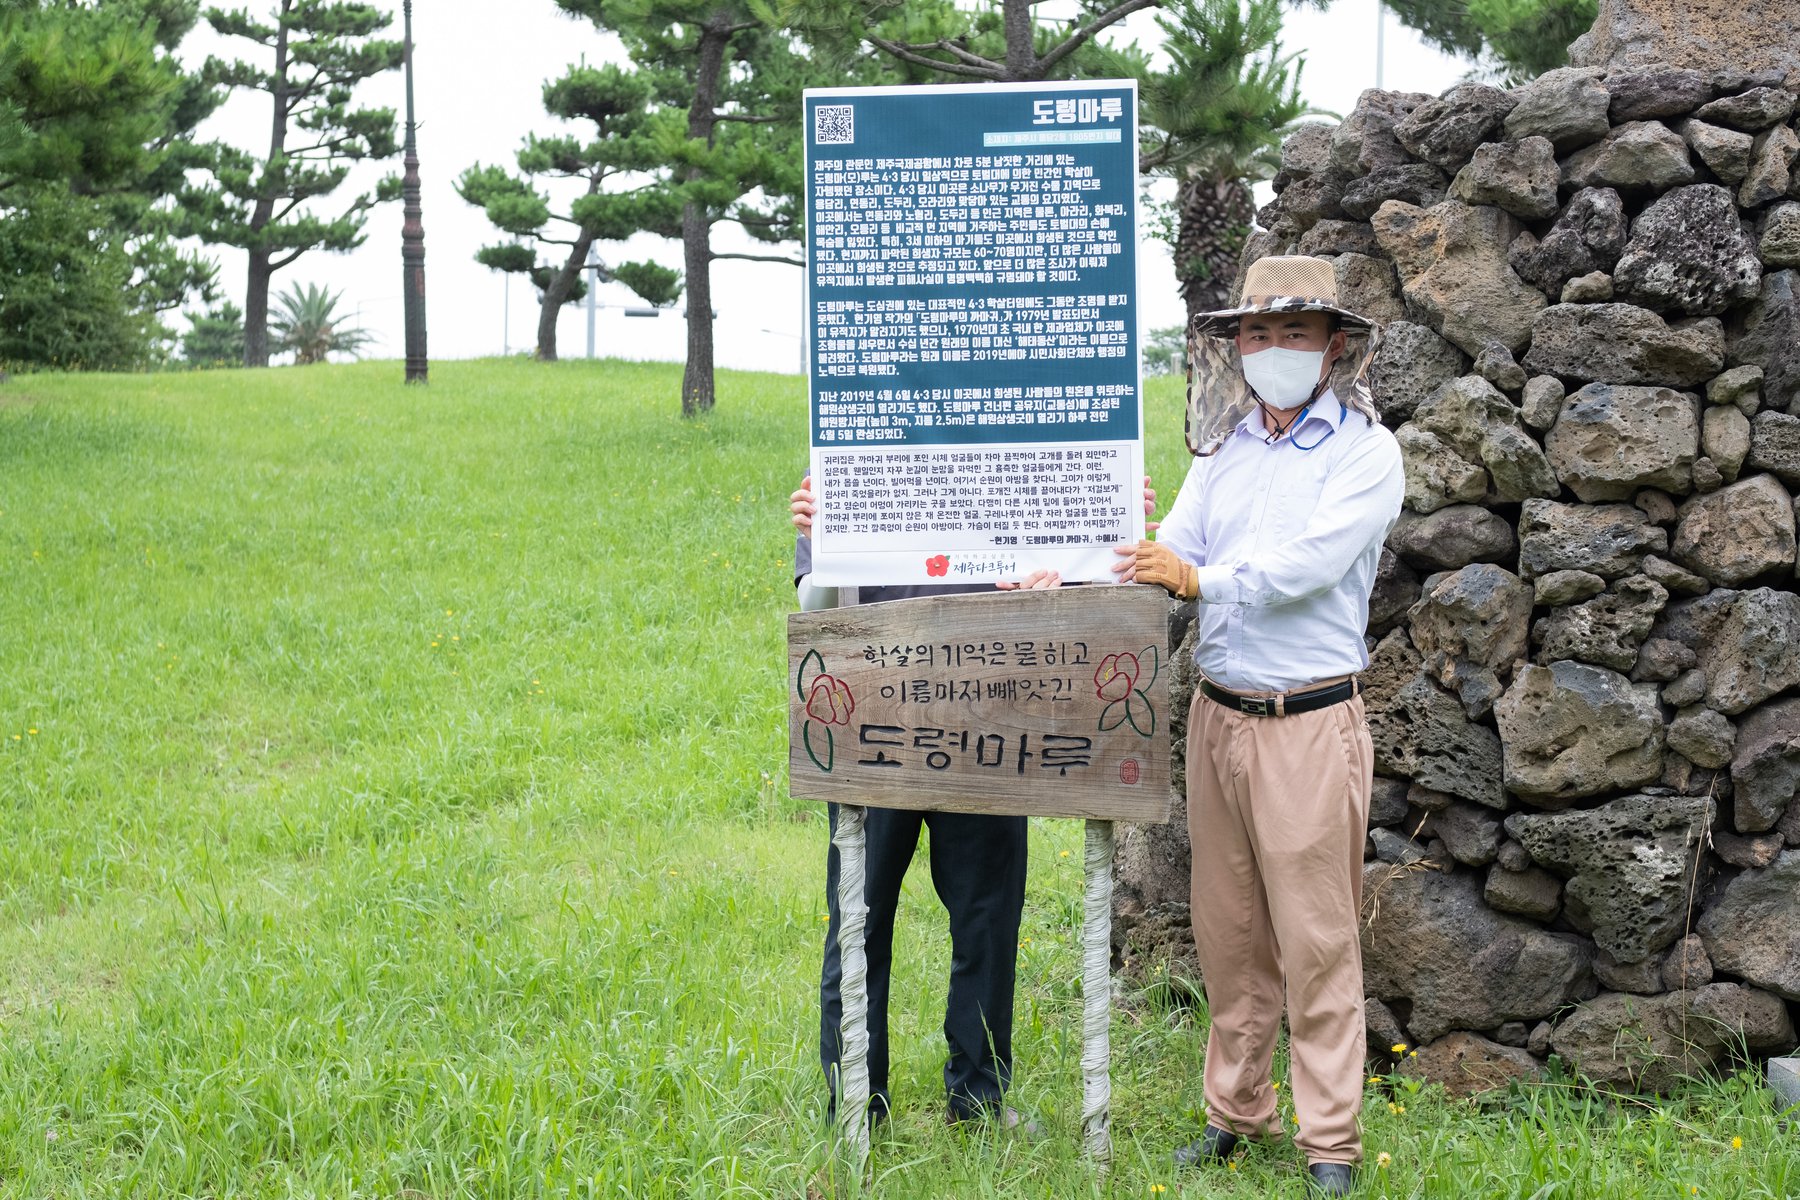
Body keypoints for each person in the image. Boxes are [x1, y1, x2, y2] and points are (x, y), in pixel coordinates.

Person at [1112, 256, 1403, 1197]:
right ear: (1235, 347)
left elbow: (1310, 566)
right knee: (1229, 932)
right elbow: (1174, 545)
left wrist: (1200, 581)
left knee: (1317, 938)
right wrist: (1096, 556)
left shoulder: (1367, 453)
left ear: (1333, 347)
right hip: (1219, 718)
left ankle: (1331, 1145)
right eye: (1258, 333)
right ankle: (1236, 1114)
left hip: (1308, 724)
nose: (1274, 349)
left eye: (1295, 332)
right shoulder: (1227, 452)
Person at [790, 472, 1152, 1131]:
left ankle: (979, 1102)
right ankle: (853, 1103)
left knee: (986, 917)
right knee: (857, 920)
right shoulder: (856, 463)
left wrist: (1107, 527)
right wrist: (820, 538)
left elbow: (1080, 587)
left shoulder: (1014, 464)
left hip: (989, 723)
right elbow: (814, 600)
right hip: (877, 723)